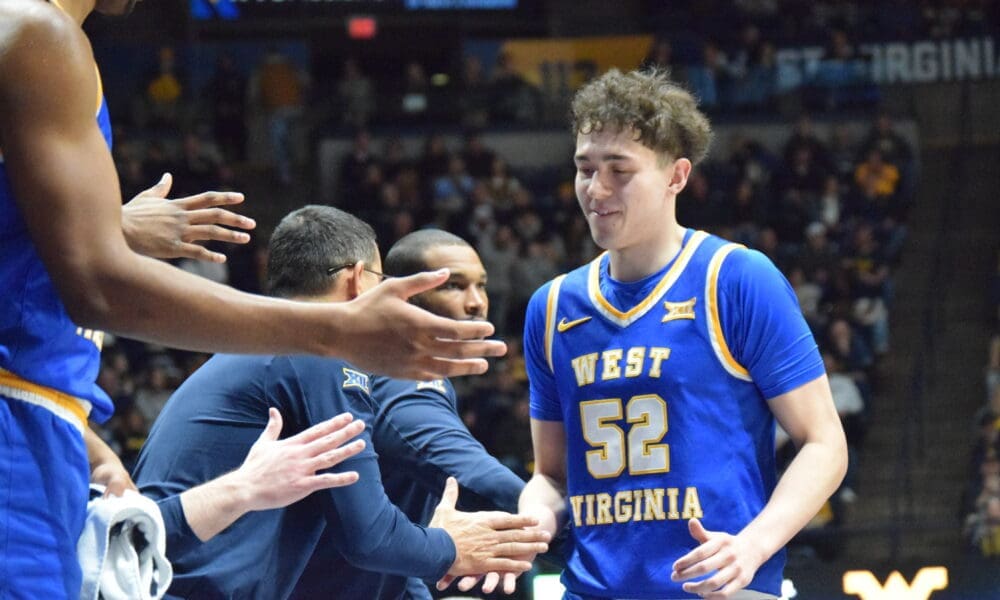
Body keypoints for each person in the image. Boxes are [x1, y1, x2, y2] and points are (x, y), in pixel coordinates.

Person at [0, 1, 504, 596]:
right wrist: (332, 330)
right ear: (354, 280)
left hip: (55, 428)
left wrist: (105, 227)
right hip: (22, 426)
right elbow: (98, 286)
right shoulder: (35, 32)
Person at [517, 68, 847, 599]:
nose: (595, 189)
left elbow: (824, 443)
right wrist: (533, 521)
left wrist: (753, 545)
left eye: (619, 170)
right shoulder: (552, 306)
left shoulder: (736, 278)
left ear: (677, 176)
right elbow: (552, 476)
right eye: (585, 169)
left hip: (720, 589)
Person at [133, 206, 548, 599]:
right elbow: (370, 536)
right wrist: (458, 544)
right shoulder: (317, 354)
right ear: (356, 279)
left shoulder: (264, 352)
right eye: (380, 280)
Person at [334, 229, 526, 599]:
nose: (476, 303)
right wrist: (574, 527)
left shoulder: (383, 364)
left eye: (481, 285)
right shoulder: (401, 376)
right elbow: (470, 473)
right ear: (403, 295)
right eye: (454, 286)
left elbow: (395, 517)